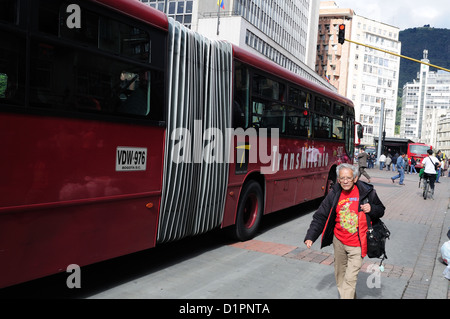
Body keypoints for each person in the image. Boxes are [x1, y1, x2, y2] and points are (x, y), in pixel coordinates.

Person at [304, 163, 385, 299]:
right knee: (340, 276)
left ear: (355, 178)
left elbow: (381, 209)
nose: (345, 181)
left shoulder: (367, 192)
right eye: (342, 178)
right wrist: (311, 236)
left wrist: (372, 208)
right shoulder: (334, 193)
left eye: (348, 178)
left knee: (350, 279)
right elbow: (321, 215)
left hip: (358, 244)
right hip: (339, 242)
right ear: (338, 179)